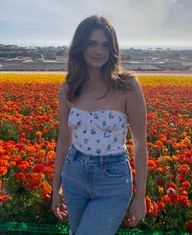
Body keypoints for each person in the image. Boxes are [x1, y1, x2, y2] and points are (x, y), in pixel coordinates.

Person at [52, 15, 147, 235]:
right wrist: (55, 188)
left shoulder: (128, 86)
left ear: (113, 48)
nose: (98, 50)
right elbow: (64, 139)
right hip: (74, 175)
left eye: (105, 44)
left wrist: (140, 196)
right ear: (80, 46)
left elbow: (140, 143)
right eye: (91, 43)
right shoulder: (68, 89)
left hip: (112, 180)